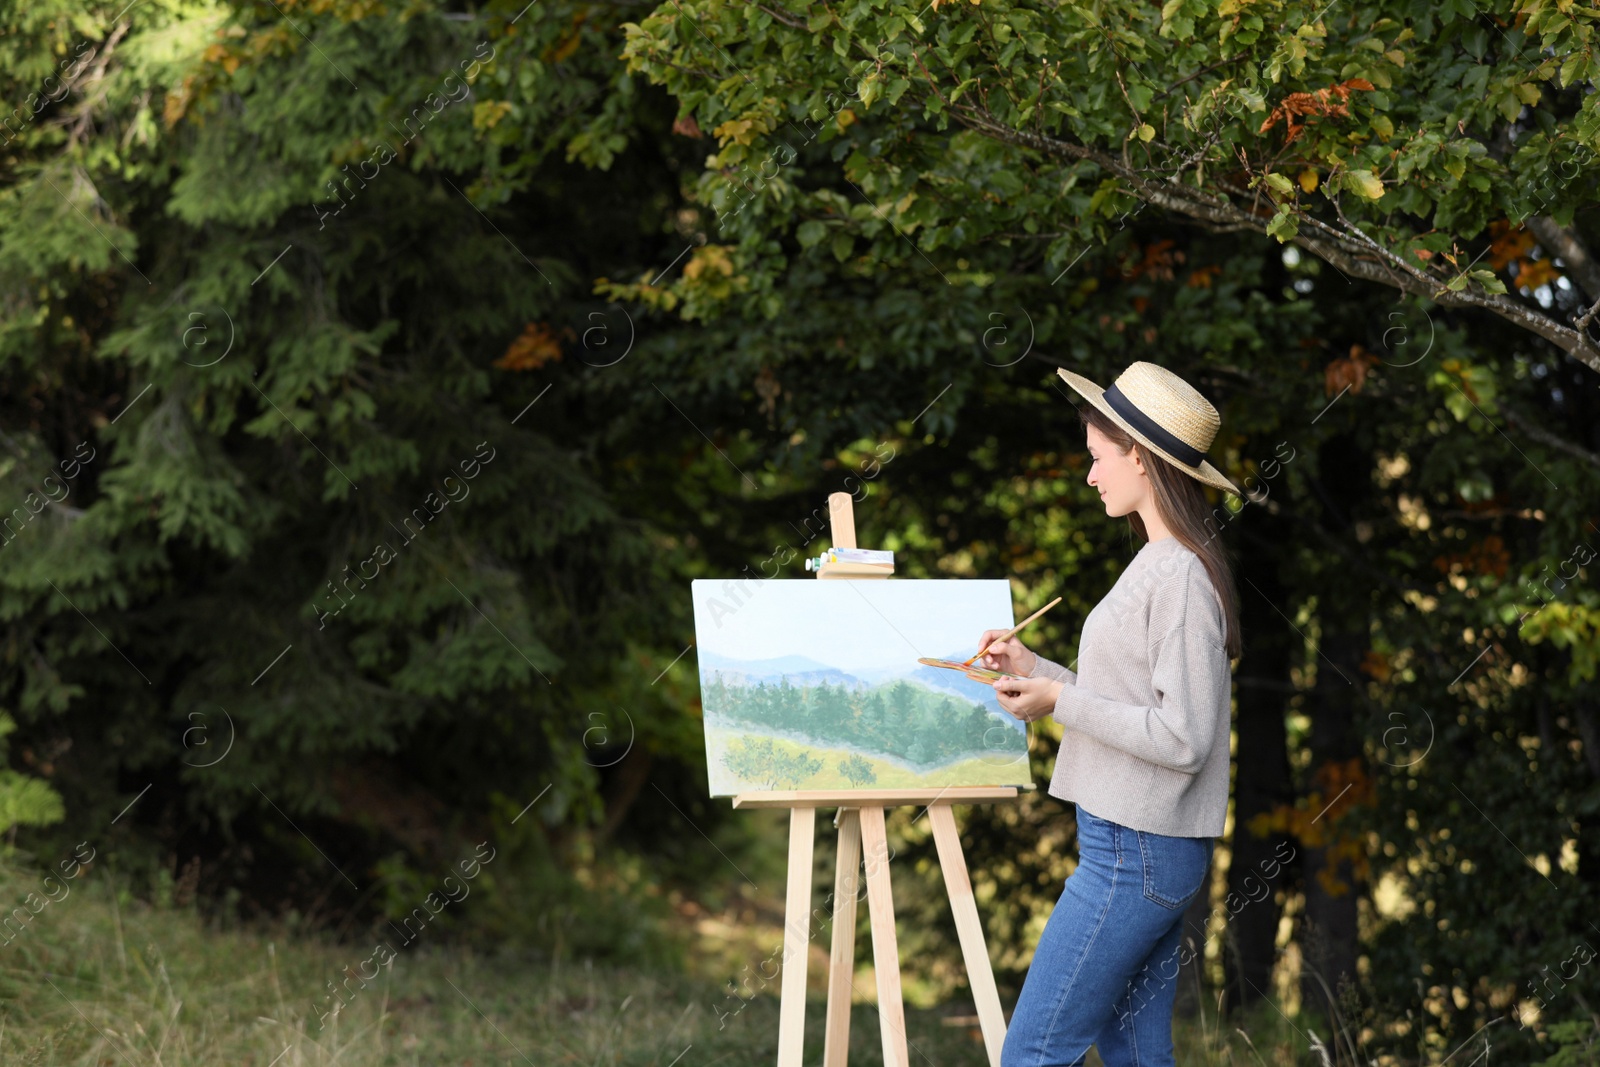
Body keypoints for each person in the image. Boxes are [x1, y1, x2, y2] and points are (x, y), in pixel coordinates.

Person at [981, 361, 1244, 1067]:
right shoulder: (1160, 562)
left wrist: (1060, 702)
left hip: (1135, 852)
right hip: (1139, 846)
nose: (1090, 476)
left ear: (1140, 456)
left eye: (1098, 458)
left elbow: (1181, 737)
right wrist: (1037, 672)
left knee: (1032, 1052)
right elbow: (1129, 705)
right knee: (1132, 1048)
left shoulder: (1181, 577)